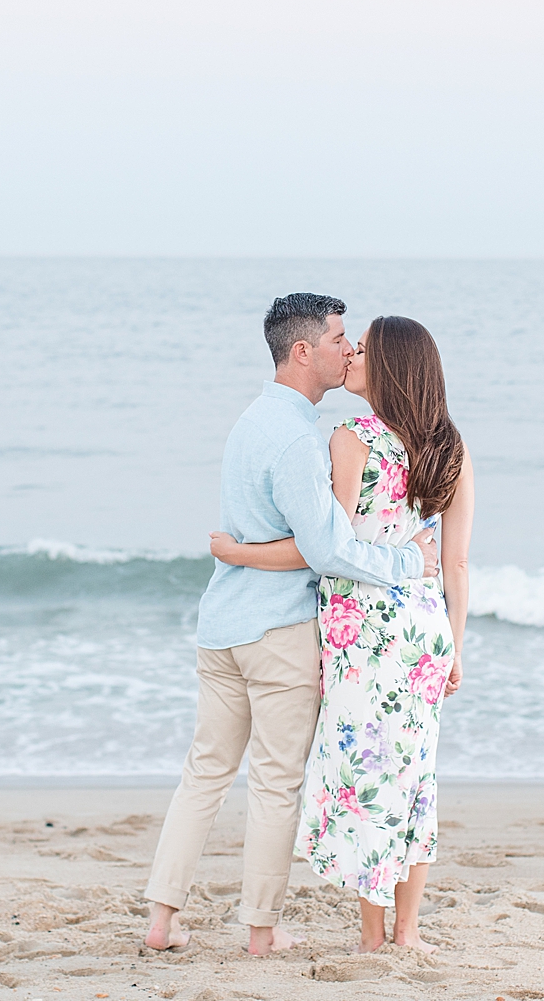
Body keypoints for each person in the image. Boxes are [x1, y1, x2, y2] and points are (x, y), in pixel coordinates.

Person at [142, 294, 440, 956]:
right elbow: (329, 549)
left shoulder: (250, 422)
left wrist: (239, 553)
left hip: (221, 625)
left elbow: (274, 535)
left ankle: (162, 920)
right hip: (276, 633)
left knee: (206, 773)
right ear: (303, 351)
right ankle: (261, 929)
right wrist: (407, 561)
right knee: (276, 782)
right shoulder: (301, 440)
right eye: (338, 338)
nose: (348, 350)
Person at [209, 315, 473, 954]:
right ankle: (408, 931)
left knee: (370, 774)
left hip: (366, 634)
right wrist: (457, 647)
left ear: (388, 368)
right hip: (424, 629)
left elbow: (328, 549)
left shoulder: (351, 439)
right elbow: (458, 563)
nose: (350, 357)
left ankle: (374, 935)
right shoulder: (450, 446)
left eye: (361, 351)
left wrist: (237, 554)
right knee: (414, 775)